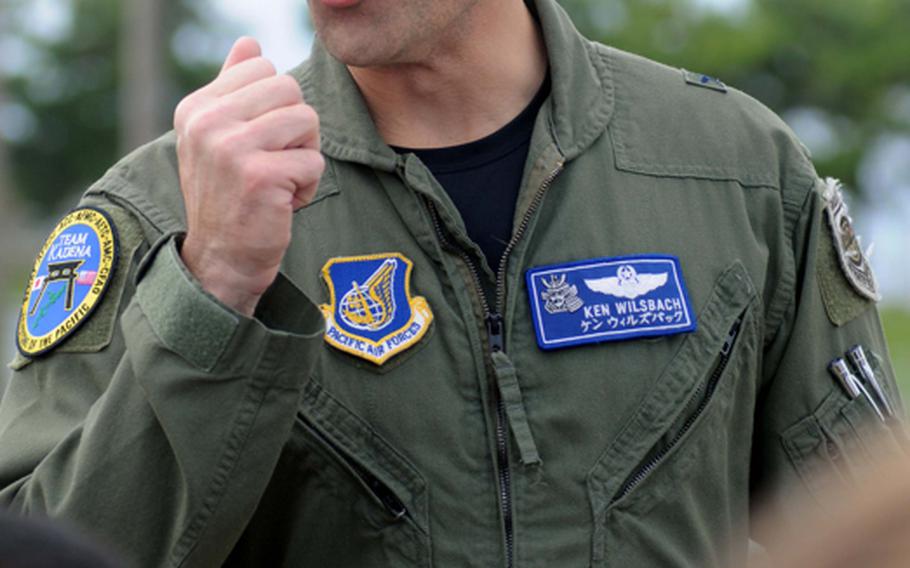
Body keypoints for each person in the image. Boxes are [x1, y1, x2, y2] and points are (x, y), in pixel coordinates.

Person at [0, 0, 904, 566]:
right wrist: (214, 289)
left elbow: (873, 526)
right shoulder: (163, 212)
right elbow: (51, 543)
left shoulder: (738, 171)